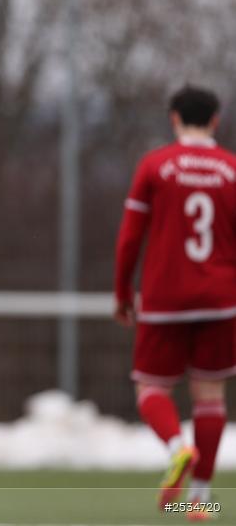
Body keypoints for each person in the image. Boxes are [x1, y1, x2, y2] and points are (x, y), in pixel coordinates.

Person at [114, 85, 236, 520]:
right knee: (210, 396)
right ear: (216, 120)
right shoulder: (231, 169)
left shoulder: (156, 166)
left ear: (174, 118)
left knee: (151, 388)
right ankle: (199, 499)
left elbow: (130, 237)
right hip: (222, 301)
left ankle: (175, 447)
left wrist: (123, 292)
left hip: (167, 299)